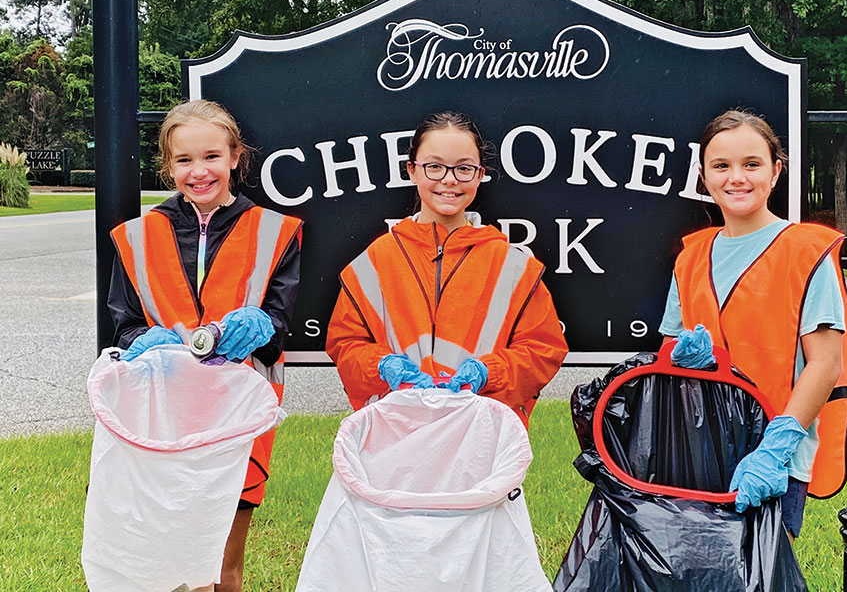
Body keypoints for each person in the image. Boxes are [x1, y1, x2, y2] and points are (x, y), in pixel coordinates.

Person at [107, 99, 302, 592]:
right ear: (167, 164)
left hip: (239, 423)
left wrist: (260, 326)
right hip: (162, 420)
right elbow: (124, 326)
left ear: (236, 156)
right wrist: (142, 342)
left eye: (212, 156)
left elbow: (279, 325)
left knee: (222, 569)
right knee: (167, 568)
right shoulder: (136, 236)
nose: (199, 172)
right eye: (184, 160)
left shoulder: (276, 232)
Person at [659, 110, 847, 541]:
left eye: (751, 164)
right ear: (704, 176)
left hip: (774, 456)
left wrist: (777, 446)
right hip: (699, 451)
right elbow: (669, 351)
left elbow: (825, 363)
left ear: (775, 170)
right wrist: (686, 356)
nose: (736, 178)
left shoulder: (805, 252)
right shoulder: (690, 257)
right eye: (721, 166)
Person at [326, 111, 568, 426]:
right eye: (434, 166)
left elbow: (543, 350)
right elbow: (345, 344)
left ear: (480, 175)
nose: (449, 179)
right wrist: (381, 366)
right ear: (412, 170)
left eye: (464, 168)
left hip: (483, 437)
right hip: (395, 435)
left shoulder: (514, 266)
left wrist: (489, 373)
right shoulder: (375, 260)